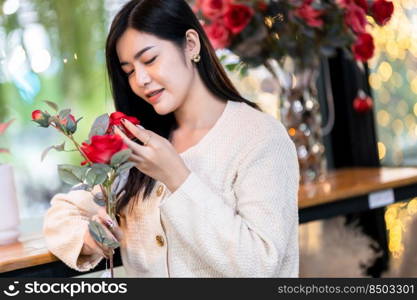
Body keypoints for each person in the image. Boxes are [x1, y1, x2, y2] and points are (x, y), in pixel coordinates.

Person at [43, 0, 300, 277]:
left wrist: (177, 177)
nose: (140, 79)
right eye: (128, 71)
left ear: (190, 44)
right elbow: (62, 214)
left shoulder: (259, 137)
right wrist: (91, 238)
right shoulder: (139, 143)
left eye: (150, 59)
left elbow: (260, 266)